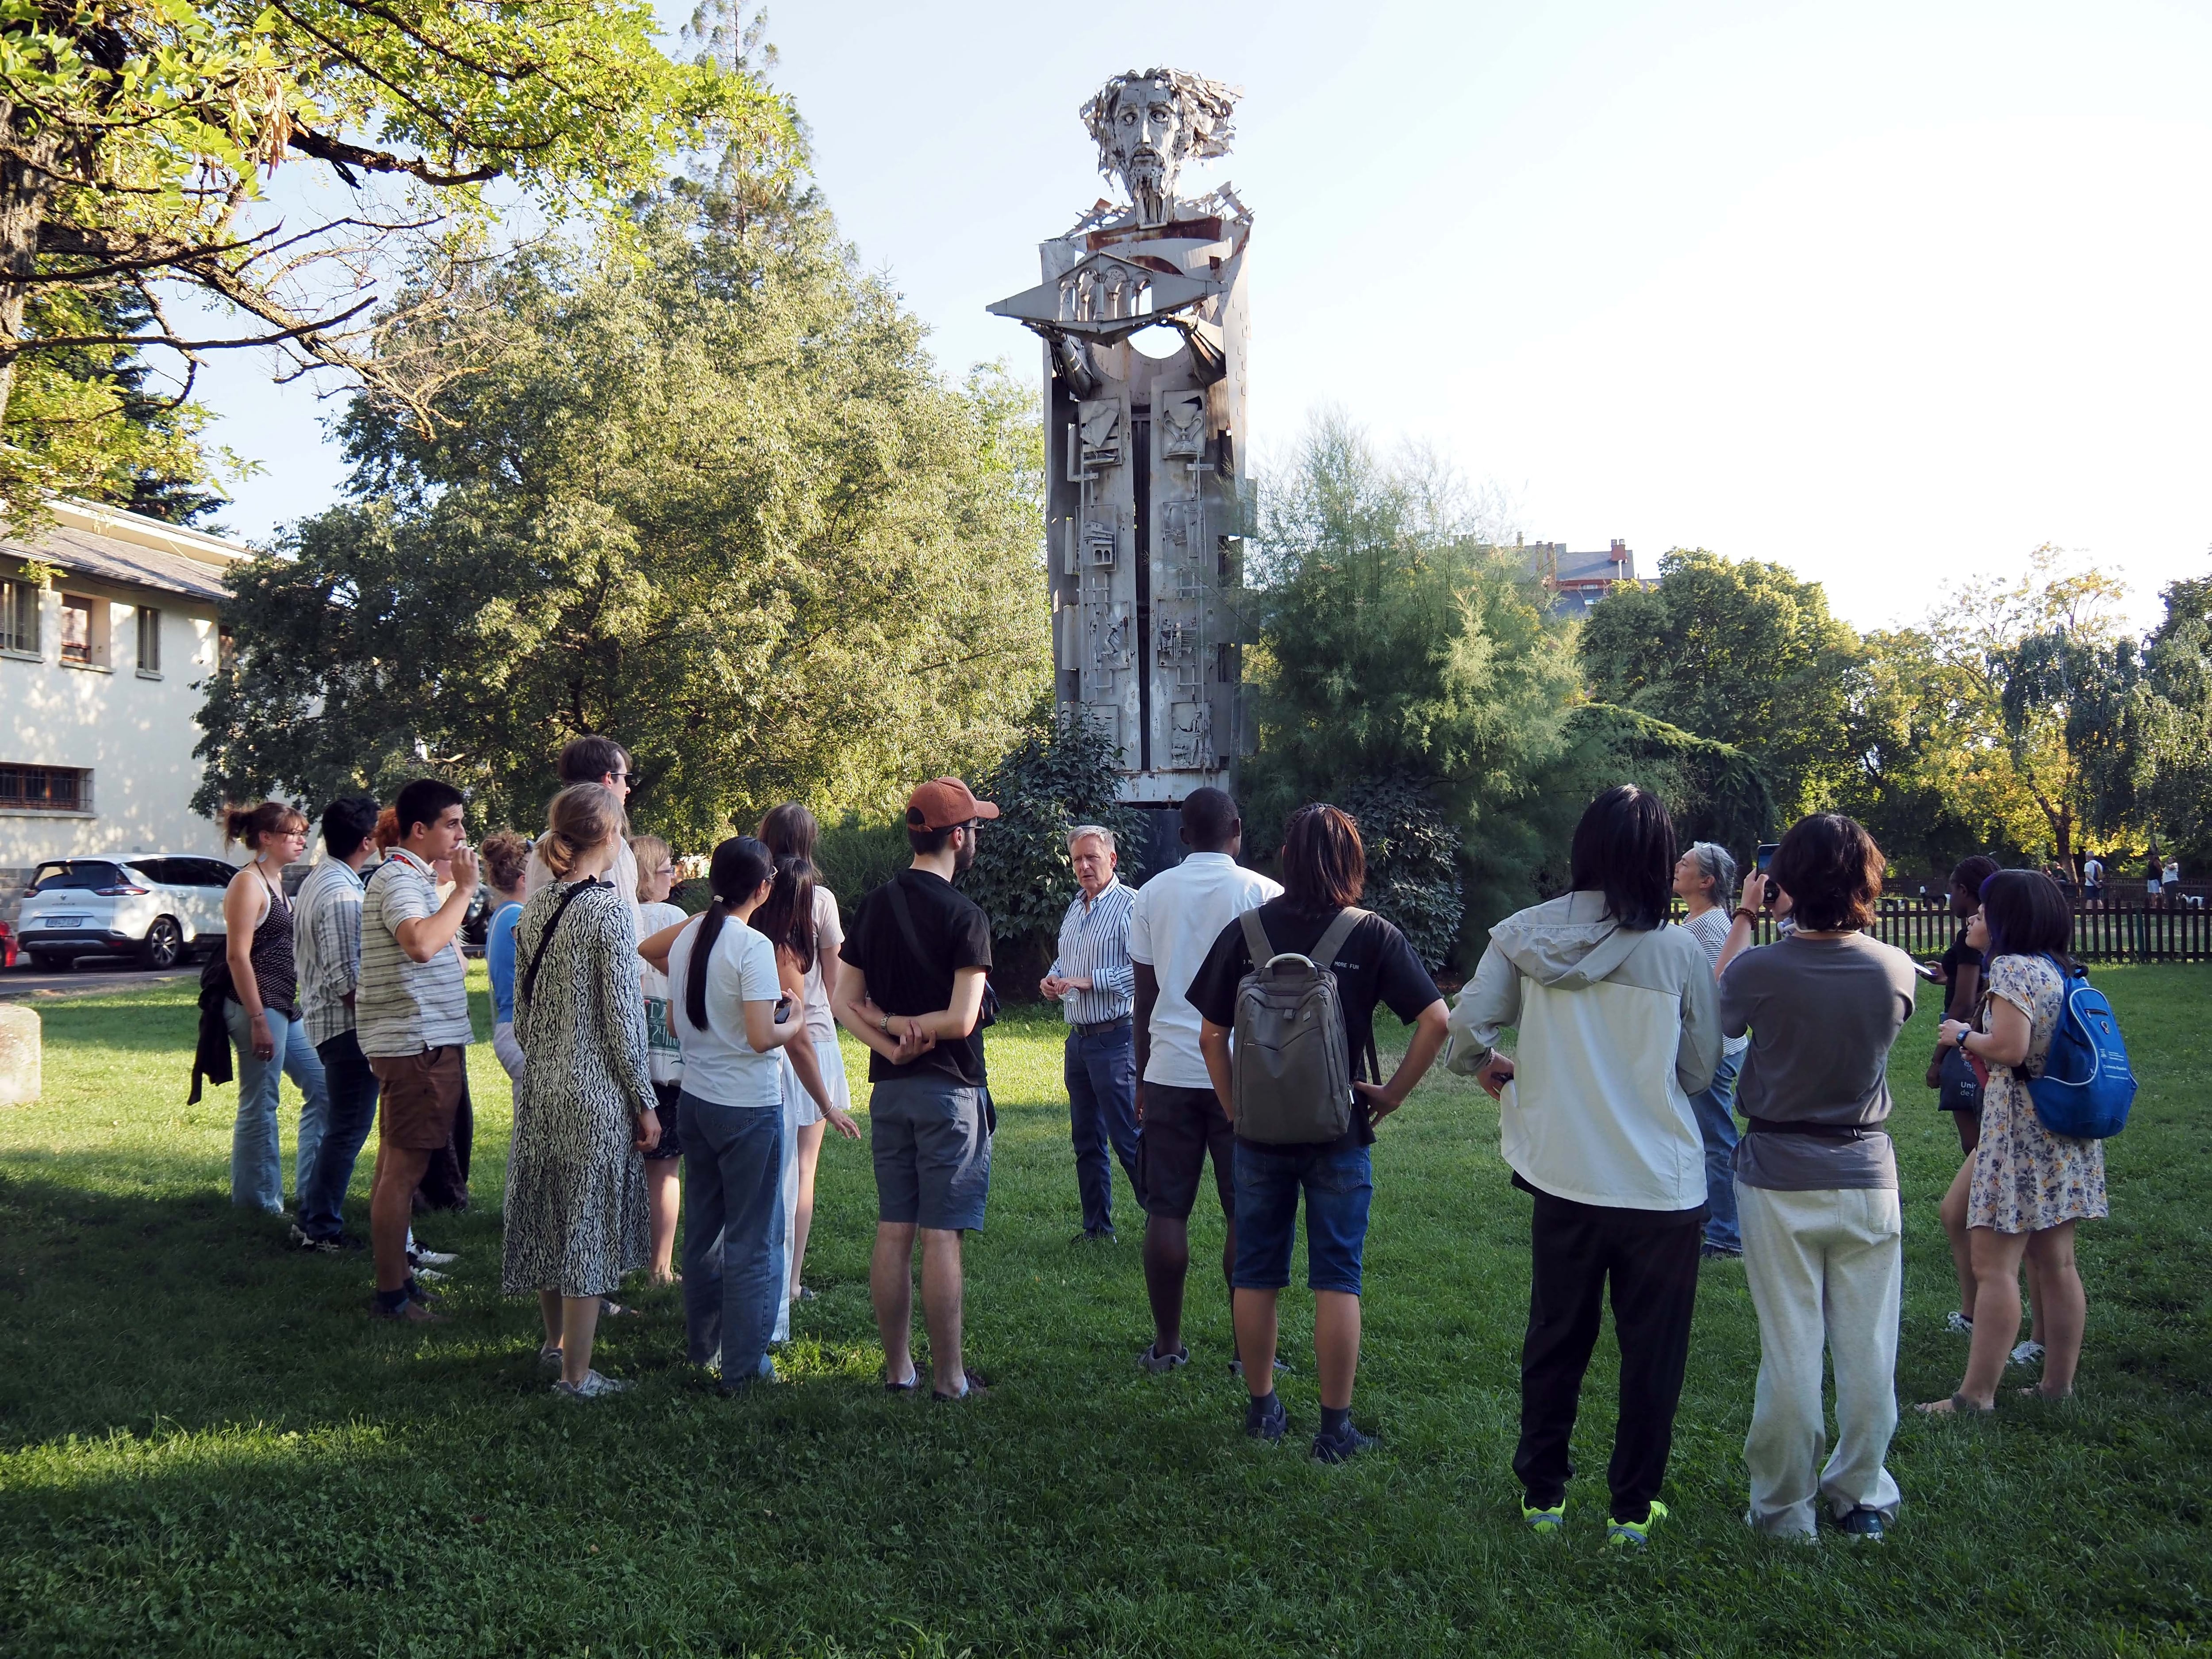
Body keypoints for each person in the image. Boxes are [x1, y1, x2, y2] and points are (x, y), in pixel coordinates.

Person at [1447, 785, 1720, 1544]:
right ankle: (1631, 1510)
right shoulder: (1679, 953)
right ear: (1659, 859)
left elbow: (1466, 1034)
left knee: (1556, 1336)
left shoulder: (1523, 936)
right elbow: (1699, 1072)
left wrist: (1490, 1067)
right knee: (1652, 1354)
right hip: (1661, 1187)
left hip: (1562, 1176)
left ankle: (1544, 1496)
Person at [1189, 803, 1450, 1463]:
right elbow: (1437, 1020)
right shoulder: (1371, 934)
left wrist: (1237, 1110)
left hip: (1258, 1137)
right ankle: (1334, 1430)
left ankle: (1263, 1410)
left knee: (1256, 1272)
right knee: (1338, 1276)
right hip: (1340, 1133)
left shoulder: (1246, 931)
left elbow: (1211, 1036)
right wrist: (1393, 1093)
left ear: (1286, 859)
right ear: (1351, 861)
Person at [1714, 814, 1917, 1543]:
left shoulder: (1758, 970)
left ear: (1784, 881)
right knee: (1869, 1349)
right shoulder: (1895, 968)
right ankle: (1862, 1496)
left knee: (1791, 1349)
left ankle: (1783, 1509)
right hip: (1867, 1173)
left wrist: (1747, 915)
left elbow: (1719, 1014)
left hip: (1777, 1171)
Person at [831, 777, 998, 1402]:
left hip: (892, 1091)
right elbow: (960, 1020)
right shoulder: (965, 915)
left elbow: (843, 1001)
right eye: (974, 828)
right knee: (941, 1234)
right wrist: (909, 1028)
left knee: (894, 1227)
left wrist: (888, 1039)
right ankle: (950, 1379)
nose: (976, 837)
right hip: (949, 1092)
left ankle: (898, 1369)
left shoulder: (875, 904)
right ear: (956, 838)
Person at [1922, 869, 2106, 1414]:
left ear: (2005, 919)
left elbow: (2010, 1048)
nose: (1972, 918)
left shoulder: (2009, 969)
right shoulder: (2056, 968)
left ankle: (1974, 1397)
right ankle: (2056, 1387)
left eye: (1983, 911)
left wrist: (1961, 1034)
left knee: (1993, 1267)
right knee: (2058, 1263)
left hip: (2018, 1136)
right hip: (2061, 1130)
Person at [503, 784, 659, 1398]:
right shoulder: (609, 910)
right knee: (588, 1225)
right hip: (593, 1090)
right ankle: (577, 1375)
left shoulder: (535, 906)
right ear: (612, 835)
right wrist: (644, 1100)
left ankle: (554, 1345)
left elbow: (521, 1013)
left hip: (541, 1083)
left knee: (550, 1215)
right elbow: (623, 1018)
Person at [1128, 786, 1280, 1374]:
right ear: (1237, 830)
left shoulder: (1152, 894)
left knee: (1167, 1210)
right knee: (1245, 1212)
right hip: (1244, 1074)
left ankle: (1167, 1345)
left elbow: (1145, 999)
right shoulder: (1264, 893)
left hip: (1169, 1068)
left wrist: (1142, 1076)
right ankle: (1248, 1354)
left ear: (1183, 837)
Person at [660, 837, 806, 1391]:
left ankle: (704, 1349)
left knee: (703, 1233)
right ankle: (745, 1367)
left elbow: (672, 1023)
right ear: (764, 888)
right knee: (753, 1239)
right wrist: (794, 1019)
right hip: (747, 1107)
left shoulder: (688, 936)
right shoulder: (751, 945)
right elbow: (762, 1036)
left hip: (696, 1101)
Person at [356, 778, 478, 1323]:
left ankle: (399, 1280)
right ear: (420, 829)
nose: (460, 834)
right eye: (452, 823)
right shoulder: (400, 879)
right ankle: (392, 1297)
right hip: (416, 1044)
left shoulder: (411, 877)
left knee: (396, 1166)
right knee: (402, 1172)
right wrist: (464, 892)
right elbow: (422, 944)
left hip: (419, 1042)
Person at [752, 853, 860, 1338]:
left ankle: (767, 1293)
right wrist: (828, 1105)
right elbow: (796, 1038)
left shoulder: (734, 934)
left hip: (747, 1072)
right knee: (792, 1179)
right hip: (793, 1061)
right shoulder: (784, 955)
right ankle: (781, 1298)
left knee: (775, 1180)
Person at [220, 801, 331, 1217]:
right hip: (257, 1007)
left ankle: (313, 1191)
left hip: (283, 1005)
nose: (301, 841)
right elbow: (238, 957)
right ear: (266, 838)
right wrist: (257, 1021)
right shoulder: (248, 883)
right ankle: (259, 1203)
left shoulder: (276, 880)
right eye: (293, 834)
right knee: (261, 1102)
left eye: (303, 833)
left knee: (323, 1086)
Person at [1041, 824, 1141, 1242]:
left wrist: (1089, 982)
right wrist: (1052, 979)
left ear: (1112, 860)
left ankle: (1164, 1219)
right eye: (1077, 859)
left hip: (1116, 1039)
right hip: (1079, 1041)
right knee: (1086, 1139)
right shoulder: (1075, 906)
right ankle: (1097, 1228)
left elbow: (1142, 973)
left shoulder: (1130, 905)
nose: (1083, 866)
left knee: (1128, 1138)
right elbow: (1066, 961)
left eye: (1092, 858)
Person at [292, 795, 382, 1251]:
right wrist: (378, 1025)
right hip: (347, 1029)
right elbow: (347, 979)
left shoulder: (322, 878)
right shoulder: (342, 894)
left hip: (329, 1024)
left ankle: (312, 1217)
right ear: (367, 841)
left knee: (340, 1128)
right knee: (347, 1131)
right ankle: (321, 1228)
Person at [1672, 840, 1746, 1259]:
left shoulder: (1713, 928)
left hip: (1713, 1052)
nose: (1676, 867)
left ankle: (1728, 1236)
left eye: (1685, 863)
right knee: (1702, 1137)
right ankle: (1708, 1216)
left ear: (1706, 881)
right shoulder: (1697, 921)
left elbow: (1720, 995)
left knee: (1717, 1140)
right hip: (1703, 1048)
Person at [632, 833, 688, 1286]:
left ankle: (619, 1258)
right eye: (668, 868)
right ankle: (660, 1267)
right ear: (649, 874)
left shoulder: (619, 915)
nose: (674, 876)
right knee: (665, 1168)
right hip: (667, 1062)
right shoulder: (672, 917)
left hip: (628, 1056)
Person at [526, 736, 641, 929]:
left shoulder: (546, 842)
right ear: (608, 779)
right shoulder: (607, 843)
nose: (628, 789)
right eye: (625, 777)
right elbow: (628, 926)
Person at [480, 830, 533, 1090]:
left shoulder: (503, 914)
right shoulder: (518, 918)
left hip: (509, 1027)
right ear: (524, 880)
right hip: (521, 1029)